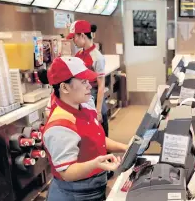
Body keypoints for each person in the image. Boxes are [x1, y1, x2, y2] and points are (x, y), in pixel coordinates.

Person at [39, 57, 128, 201]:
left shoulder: (85, 106)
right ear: (64, 88)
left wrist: (125, 147)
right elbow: (67, 173)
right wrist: (96, 164)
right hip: (75, 195)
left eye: (88, 81)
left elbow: (96, 138)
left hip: (95, 187)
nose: (90, 86)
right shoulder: (60, 125)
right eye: (83, 81)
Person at [65, 20, 109, 137]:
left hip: (95, 98)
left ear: (82, 35)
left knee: (101, 136)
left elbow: (101, 86)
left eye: (74, 37)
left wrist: (98, 111)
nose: (73, 41)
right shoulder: (79, 54)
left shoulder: (97, 58)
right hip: (83, 99)